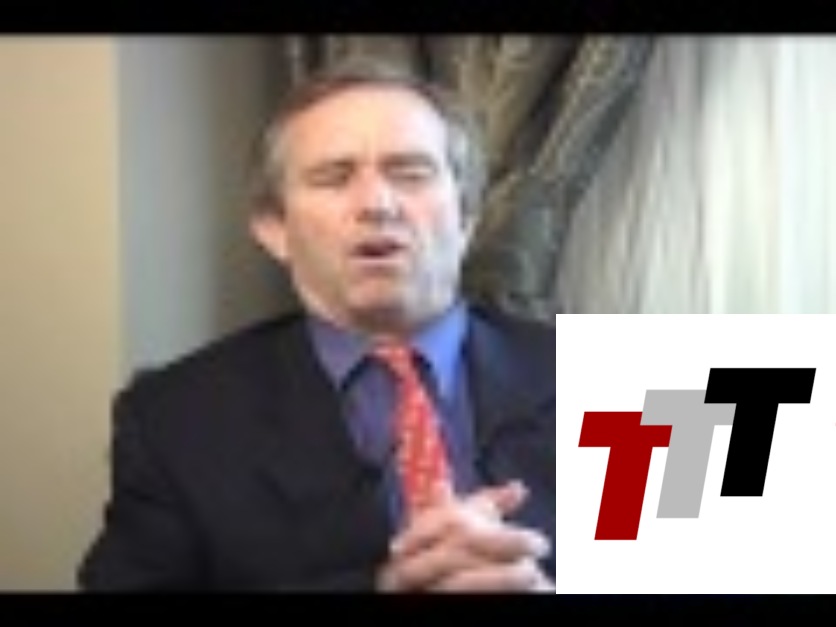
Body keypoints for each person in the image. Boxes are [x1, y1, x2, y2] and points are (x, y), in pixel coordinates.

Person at [79, 56, 555, 592]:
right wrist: (386, 586)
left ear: (466, 218)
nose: (377, 204)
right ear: (274, 228)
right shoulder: (176, 419)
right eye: (334, 178)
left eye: (410, 174)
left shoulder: (616, 386)